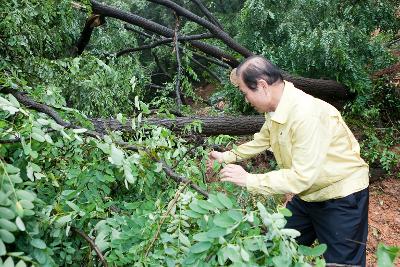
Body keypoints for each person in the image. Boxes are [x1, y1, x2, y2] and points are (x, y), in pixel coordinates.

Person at [207, 55, 369, 266]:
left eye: (246, 93)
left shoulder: (305, 114)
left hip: (341, 197)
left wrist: (249, 180)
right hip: (309, 194)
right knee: (275, 244)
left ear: (263, 86)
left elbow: (301, 176)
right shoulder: (276, 110)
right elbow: (262, 140)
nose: (246, 100)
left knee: (343, 264)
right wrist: (226, 157)